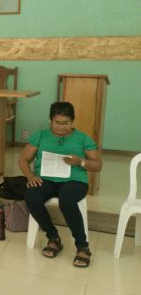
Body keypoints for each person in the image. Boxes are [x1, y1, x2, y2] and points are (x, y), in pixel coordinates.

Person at [19, 101, 102, 268]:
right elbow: (23, 159)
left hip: (74, 180)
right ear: (50, 120)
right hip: (46, 178)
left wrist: (81, 162)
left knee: (67, 200)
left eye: (66, 123)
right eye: (57, 123)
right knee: (31, 196)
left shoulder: (82, 138)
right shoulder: (40, 135)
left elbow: (98, 165)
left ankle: (82, 246)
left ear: (72, 121)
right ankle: (53, 237)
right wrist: (30, 176)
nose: (61, 127)